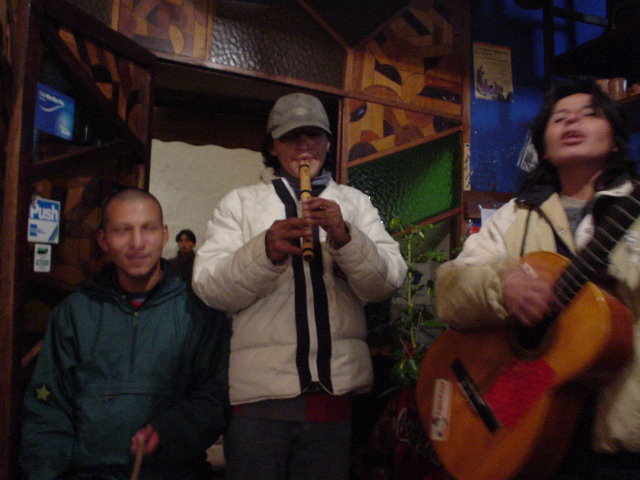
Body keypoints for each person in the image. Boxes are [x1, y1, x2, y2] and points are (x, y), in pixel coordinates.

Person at [192, 92, 407, 480]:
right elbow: (209, 288)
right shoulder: (238, 204)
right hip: (258, 402)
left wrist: (345, 237)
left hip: (334, 399)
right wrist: (264, 251)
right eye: (291, 136)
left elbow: (386, 283)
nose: (304, 145)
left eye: (314, 134)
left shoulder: (355, 204)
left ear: (328, 142)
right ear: (272, 146)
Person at [435, 79, 640, 479]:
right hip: (530, 434)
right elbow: (449, 290)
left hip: (623, 439)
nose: (572, 121)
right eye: (559, 118)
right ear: (544, 149)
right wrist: (502, 287)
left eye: (589, 114)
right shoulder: (516, 216)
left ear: (615, 140)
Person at [20, 188, 230, 480]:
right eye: (122, 230)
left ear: (164, 235)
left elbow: (215, 397)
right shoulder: (73, 314)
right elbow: (48, 408)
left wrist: (170, 429)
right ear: (103, 240)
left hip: (176, 471)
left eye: (148, 229)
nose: (137, 243)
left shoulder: (198, 311)